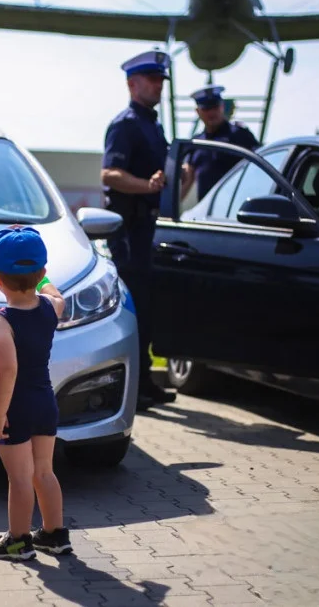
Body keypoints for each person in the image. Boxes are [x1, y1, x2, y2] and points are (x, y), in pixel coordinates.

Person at [0, 226, 71, 561]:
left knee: (19, 478)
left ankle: (18, 541)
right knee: (43, 472)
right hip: (45, 402)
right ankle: (54, 534)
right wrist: (43, 281)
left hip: (15, 407)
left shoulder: (0, 320)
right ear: (43, 272)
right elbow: (58, 296)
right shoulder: (51, 308)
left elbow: (7, 370)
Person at [101, 50, 177, 410]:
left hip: (147, 230)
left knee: (147, 309)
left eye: (161, 80)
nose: (158, 85)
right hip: (128, 232)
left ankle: (144, 382)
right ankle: (130, 387)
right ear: (132, 84)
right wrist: (147, 186)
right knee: (132, 310)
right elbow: (109, 175)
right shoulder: (125, 124)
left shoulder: (154, 125)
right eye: (151, 79)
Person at [180, 85, 261, 201]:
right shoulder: (196, 142)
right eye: (206, 109)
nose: (211, 113)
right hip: (205, 212)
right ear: (198, 111)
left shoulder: (239, 135)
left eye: (215, 107)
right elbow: (187, 179)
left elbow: (257, 170)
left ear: (222, 106)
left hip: (236, 208)